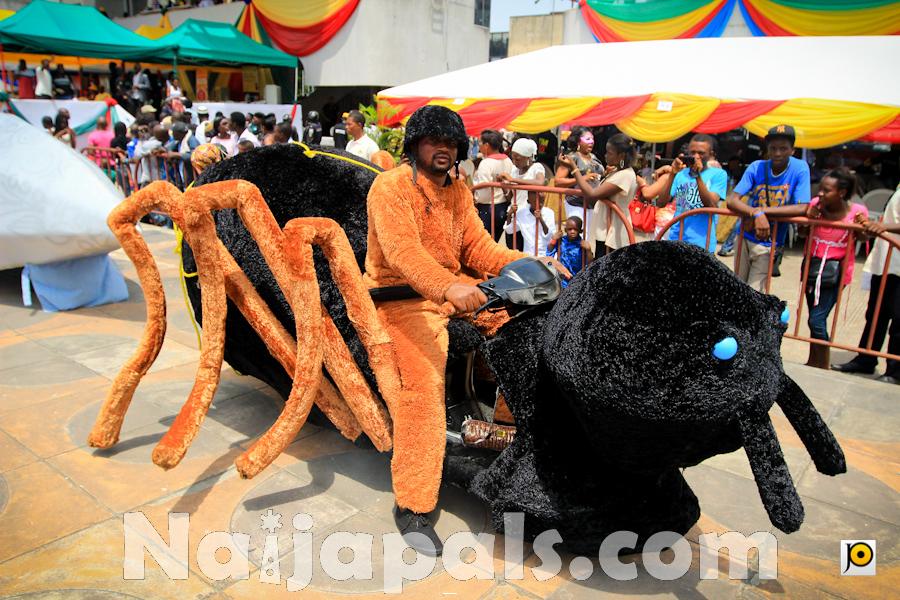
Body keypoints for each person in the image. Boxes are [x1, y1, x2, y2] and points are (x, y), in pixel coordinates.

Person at [363, 105, 569, 556]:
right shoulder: (390, 187)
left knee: (527, 329)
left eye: (452, 143)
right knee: (422, 388)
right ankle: (413, 504)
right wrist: (447, 285)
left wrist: (529, 263)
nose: (445, 149)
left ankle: (516, 441)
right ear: (415, 143)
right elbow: (401, 253)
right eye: (435, 140)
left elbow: (479, 246)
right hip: (400, 300)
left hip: (459, 293)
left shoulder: (457, 190)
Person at [776, 170, 869, 368]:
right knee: (813, 318)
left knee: (817, 320)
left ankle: (823, 365)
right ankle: (813, 361)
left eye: (826, 191)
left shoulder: (857, 212)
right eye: (820, 190)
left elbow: (863, 239)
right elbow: (802, 234)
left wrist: (863, 227)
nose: (820, 194)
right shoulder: (815, 206)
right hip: (812, 269)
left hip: (836, 273)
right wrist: (808, 220)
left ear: (841, 193)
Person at [726, 124, 810, 292]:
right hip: (745, 234)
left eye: (783, 148)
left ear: (792, 150)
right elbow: (732, 200)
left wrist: (761, 213)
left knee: (755, 292)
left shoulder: (800, 168)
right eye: (773, 148)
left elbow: (802, 207)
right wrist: (755, 213)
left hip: (770, 241)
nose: (777, 153)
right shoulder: (757, 166)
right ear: (767, 149)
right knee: (739, 289)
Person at [832, 184, 900, 383]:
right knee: (876, 313)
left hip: (897, 262)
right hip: (885, 259)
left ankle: (895, 370)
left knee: (898, 319)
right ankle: (866, 358)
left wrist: (883, 227)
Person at [558, 133, 637, 256]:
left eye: (609, 153)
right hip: (605, 229)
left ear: (621, 156)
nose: (606, 156)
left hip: (613, 232)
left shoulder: (625, 175)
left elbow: (592, 194)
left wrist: (574, 169)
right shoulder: (617, 171)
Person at [657, 134, 727, 253]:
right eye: (692, 152)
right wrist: (672, 174)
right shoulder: (680, 174)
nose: (696, 156)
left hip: (702, 242)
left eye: (701, 153)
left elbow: (711, 204)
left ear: (711, 154)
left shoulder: (719, 174)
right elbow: (661, 202)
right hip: (676, 238)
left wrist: (697, 176)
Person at [555, 126, 603, 242]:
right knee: (578, 236)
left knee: (589, 238)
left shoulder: (595, 158)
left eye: (592, 139)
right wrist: (581, 178)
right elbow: (558, 181)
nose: (591, 142)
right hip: (576, 204)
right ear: (578, 141)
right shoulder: (571, 158)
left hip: (592, 204)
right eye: (587, 139)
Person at [472, 129, 514, 241]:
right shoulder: (508, 160)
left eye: (480, 143)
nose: (479, 146)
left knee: (484, 243)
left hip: (487, 207)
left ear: (486, 145)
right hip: (503, 206)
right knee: (493, 242)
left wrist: (475, 199)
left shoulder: (486, 163)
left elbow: (484, 192)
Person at [504, 190, 556, 257]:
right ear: (528, 202)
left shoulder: (549, 213)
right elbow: (509, 230)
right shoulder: (521, 213)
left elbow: (550, 236)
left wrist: (541, 219)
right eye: (535, 202)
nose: (539, 204)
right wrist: (509, 215)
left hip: (546, 254)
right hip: (529, 255)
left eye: (542, 201)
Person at [547, 216, 592, 286]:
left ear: (581, 231)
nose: (572, 232)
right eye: (570, 229)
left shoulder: (583, 245)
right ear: (565, 230)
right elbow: (549, 254)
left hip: (577, 279)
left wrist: (588, 250)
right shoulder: (561, 241)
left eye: (575, 229)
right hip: (561, 279)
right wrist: (553, 240)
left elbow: (590, 264)